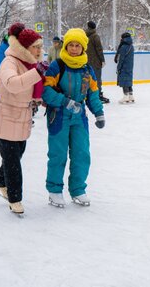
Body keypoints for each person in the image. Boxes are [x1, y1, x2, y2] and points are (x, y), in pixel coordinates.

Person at [0, 23, 44, 215]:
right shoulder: (10, 62)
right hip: (4, 117)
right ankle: (14, 199)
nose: (39, 51)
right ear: (25, 48)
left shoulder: (29, 63)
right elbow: (12, 84)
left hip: (21, 117)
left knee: (17, 154)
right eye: (36, 47)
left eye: (40, 47)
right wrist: (37, 73)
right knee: (12, 161)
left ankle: (0, 182)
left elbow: (32, 89)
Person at [42, 28, 105, 208]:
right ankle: (54, 191)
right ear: (66, 46)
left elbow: (93, 92)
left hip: (79, 116)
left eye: (78, 46)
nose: (74, 49)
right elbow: (46, 90)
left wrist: (98, 112)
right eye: (71, 45)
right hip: (59, 115)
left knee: (81, 153)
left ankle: (78, 189)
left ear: (83, 48)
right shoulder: (57, 65)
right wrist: (64, 101)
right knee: (58, 154)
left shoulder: (87, 69)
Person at [86, 21, 109, 103]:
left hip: (86, 62)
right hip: (95, 62)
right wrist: (102, 60)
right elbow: (99, 49)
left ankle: (89, 95)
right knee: (97, 79)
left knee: (88, 79)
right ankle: (97, 95)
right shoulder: (95, 36)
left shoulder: (84, 36)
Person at [115, 31, 135, 103]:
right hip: (130, 66)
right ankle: (131, 95)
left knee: (124, 81)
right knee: (128, 80)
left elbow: (121, 59)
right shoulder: (131, 46)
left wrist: (118, 67)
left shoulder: (123, 47)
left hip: (124, 66)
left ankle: (126, 96)